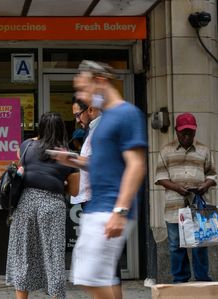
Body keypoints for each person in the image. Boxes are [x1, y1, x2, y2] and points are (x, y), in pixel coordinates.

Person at [55, 60, 147, 299]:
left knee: (88, 278)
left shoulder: (126, 114)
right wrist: (73, 161)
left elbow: (136, 165)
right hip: (97, 206)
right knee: (102, 278)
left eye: (84, 89)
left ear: (101, 82)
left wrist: (120, 210)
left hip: (110, 208)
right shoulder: (103, 121)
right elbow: (104, 164)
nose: (82, 96)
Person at [6, 112, 80, 299]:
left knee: (23, 254)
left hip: (26, 203)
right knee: (53, 256)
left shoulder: (27, 146)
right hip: (52, 204)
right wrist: (59, 183)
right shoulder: (68, 157)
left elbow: (20, 165)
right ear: (62, 130)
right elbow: (75, 191)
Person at [155, 113, 216, 283]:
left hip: (198, 205)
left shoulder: (203, 150)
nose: (187, 136)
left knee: (200, 244)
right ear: (176, 131)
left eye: (191, 133)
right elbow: (160, 177)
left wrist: (205, 185)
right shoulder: (166, 151)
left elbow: (213, 174)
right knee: (175, 245)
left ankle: (202, 279)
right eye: (184, 133)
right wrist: (177, 188)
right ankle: (180, 279)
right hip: (174, 206)